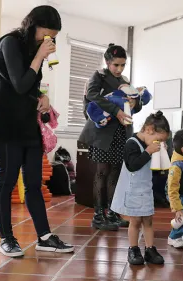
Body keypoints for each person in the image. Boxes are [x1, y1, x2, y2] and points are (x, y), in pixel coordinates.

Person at [0, 5, 74, 257]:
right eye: (47, 33)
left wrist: (43, 97)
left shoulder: (35, 48)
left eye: (53, 36)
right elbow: (19, 84)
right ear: (33, 25)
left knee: (34, 182)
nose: (50, 39)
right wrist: (39, 57)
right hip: (6, 122)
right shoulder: (9, 44)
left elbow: (30, 87)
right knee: (7, 180)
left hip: (28, 123)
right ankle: (6, 239)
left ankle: (44, 237)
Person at [79, 44, 143, 231]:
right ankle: (99, 216)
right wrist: (115, 110)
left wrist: (134, 101)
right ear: (107, 62)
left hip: (120, 134)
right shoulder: (98, 76)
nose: (120, 69)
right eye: (116, 65)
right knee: (102, 172)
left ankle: (113, 213)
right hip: (102, 133)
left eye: (123, 65)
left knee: (115, 173)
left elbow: (135, 108)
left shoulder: (124, 80)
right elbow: (91, 95)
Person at [110, 111, 171, 265]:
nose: (158, 143)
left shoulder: (150, 144)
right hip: (133, 190)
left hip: (145, 188)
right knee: (135, 220)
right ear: (149, 129)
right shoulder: (132, 143)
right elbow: (133, 165)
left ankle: (150, 249)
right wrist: (148, 152)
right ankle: (133, 248)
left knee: (148, 220)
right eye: (158, 139)